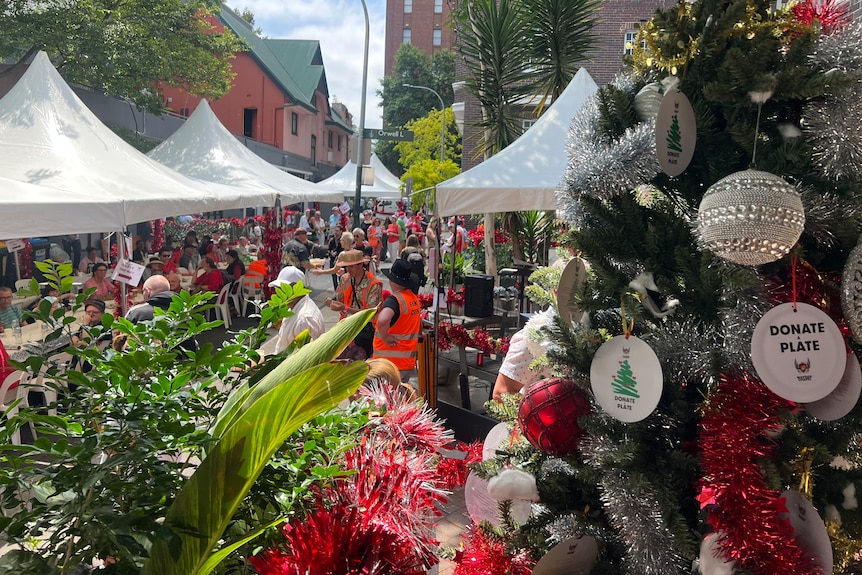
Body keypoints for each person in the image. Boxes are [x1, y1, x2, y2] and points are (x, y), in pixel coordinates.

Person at [324, 250, 383, 360]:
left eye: (351, 266)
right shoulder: (344, 279)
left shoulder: (374, 284)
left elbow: (370, 313)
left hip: (365, 331)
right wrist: (331, 303)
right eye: (346, 267)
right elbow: (340, 299)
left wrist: (345, 308)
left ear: (361, 265)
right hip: (346, 329)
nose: (348, 270)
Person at [372, 259, 422, 383]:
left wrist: (385, 337)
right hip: (406, 364)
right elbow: (418, 324)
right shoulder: (413, 299)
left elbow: (383, 320)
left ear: (392, 280)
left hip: (388, 365)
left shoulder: (394, 300)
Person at [125, 275, 199, 354]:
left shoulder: (135, 312)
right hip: (178, 363)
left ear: (147, 291)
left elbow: (124, 344)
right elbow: (193, 346)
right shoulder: (183, 313)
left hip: (144, 363)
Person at [268, 266, 326, 354]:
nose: (278, 293)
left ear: (296, 288)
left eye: (283, 289)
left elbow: (304, 358)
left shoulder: (304, 319)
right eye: (277, 289)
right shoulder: (291, 308)